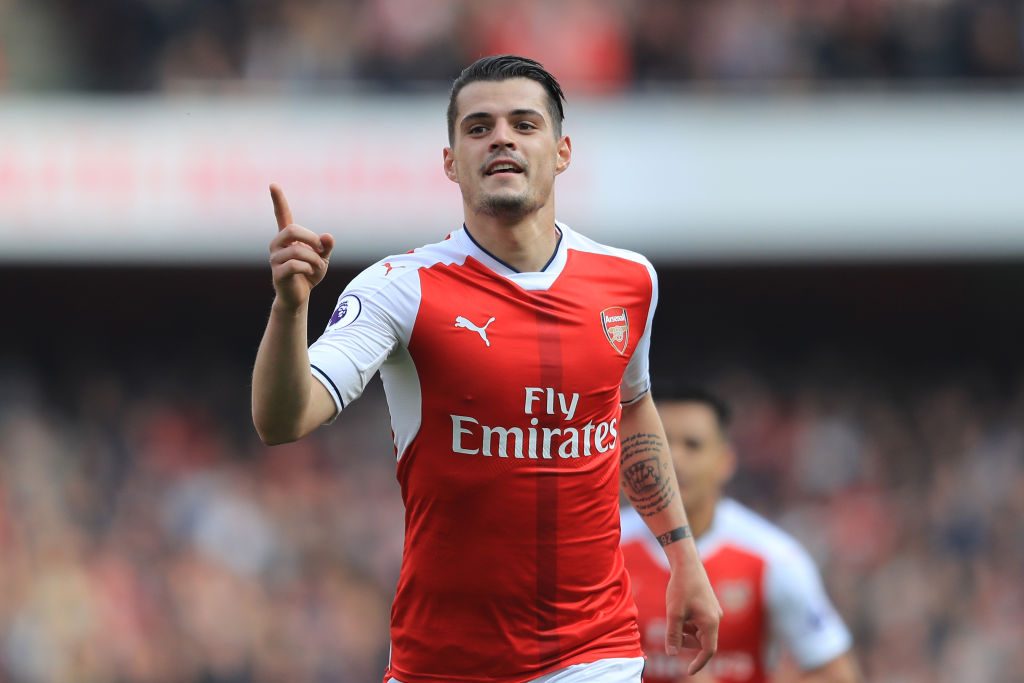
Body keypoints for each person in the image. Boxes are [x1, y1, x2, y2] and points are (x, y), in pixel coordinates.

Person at [251, 55, 722, 683]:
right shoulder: (400, 289)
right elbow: (282, 420)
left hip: (594, 651)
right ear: (451, 162)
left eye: (524, 124)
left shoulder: (629, 281)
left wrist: (683, 556)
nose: (502, 138)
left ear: (562, 152)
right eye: (479, 128)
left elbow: (631, 407)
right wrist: (289, 309)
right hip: (441, 660)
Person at [620, 388, 861, 683]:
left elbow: (839, 674)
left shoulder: (773, 557)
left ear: (725, 461)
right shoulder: (609, 549)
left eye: (693, 445)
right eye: (662, 443)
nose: (675, 459)